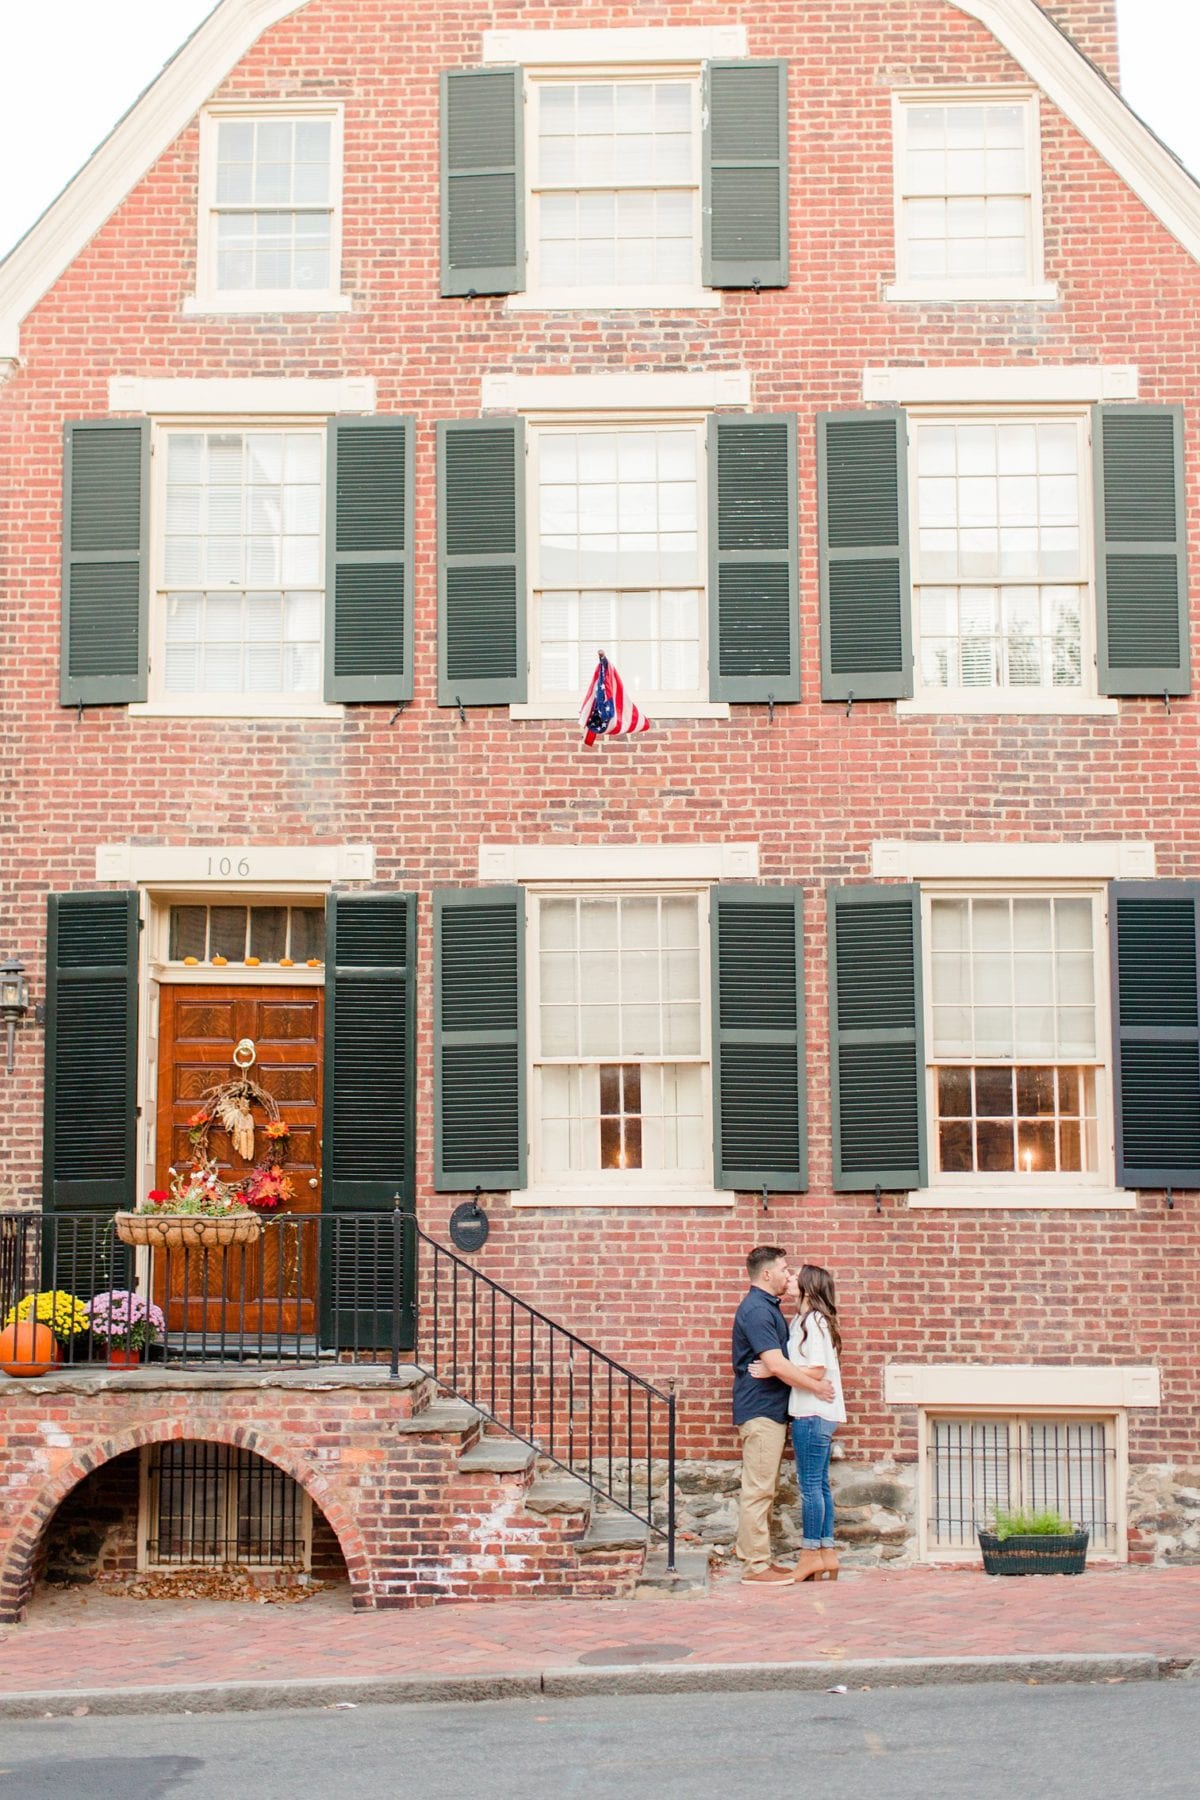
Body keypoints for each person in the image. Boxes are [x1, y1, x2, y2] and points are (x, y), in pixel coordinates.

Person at [732, 1246, 835, 1585]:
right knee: (759, 1490)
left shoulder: (769, 1308)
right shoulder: (757, 1310)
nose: (788, 1274)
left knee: (766, 1488)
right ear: (766, 1274)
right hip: (761, 1411)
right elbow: (775, 1364)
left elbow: (778, 1365)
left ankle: (761, 1560)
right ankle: (755, 1566)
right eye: (783, 1268)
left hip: (772, 1411)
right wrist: (816, 1387)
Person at [781, 1263, 846, 1584]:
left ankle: (809, 1555)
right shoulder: (805, 1320)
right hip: (817, 1412)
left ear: (808, 1286)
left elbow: (817, 1370)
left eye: (795, 1276)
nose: (790, 1279)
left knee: (809, 1488)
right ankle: (826, 1553)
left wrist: (776, 1371)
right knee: (818, 1485)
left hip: (812, 1413)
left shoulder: (814, 1321)